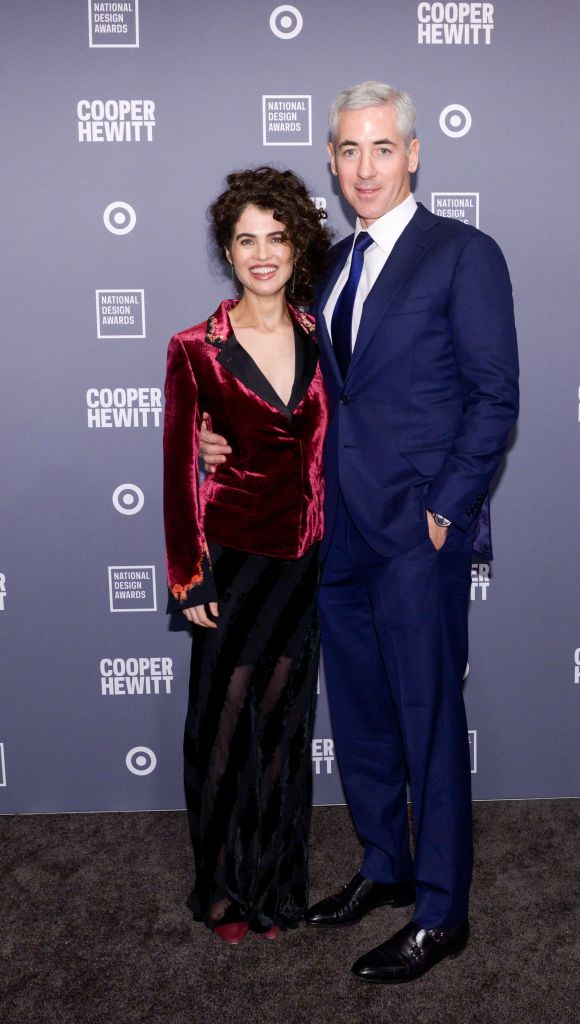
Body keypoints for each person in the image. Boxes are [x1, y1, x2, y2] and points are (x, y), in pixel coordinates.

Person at [200, 81, 519, 981]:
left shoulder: (464, 254)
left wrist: (445, 510)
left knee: (427, 719)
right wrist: (222, 434)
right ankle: (385, 867)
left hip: (417, 537)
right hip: (333, 536)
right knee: (369, 720)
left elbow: (496, 398)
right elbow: (302, 394)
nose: (365, 166)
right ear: (332, 163)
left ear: (413, 154)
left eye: (382, 148)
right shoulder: (330, 265)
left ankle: (442, 910)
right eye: (348, 150)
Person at [163, 166, 332, 945]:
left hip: (304, 560)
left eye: (276, 236)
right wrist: (188, 573)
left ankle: (274, 889)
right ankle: (223, 891)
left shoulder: (321, 334)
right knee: (223, 725)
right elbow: (176, 467)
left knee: (285, 726)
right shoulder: (196, 347)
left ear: (297, 244)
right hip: (231, 560)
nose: (262, 253)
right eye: (245, 239)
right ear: (227, 252)